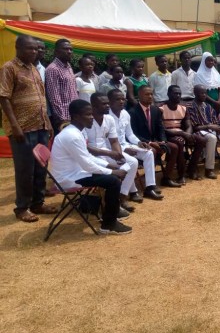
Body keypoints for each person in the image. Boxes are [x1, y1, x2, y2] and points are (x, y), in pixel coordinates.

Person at [50, 99, 131, 235]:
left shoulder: (78, 131)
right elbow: (87, 164)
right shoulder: (72, 136)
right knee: (113, 181)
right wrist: (112, 172)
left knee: (112, 178)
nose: (92, 117)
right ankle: (109, 224)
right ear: (76, 117)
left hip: (76, 172)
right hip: (68, 179)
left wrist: (108, 165)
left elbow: (87, 157)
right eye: (88, 114)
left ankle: (111, 212)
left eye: (91, 113)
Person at [0, 35, 56, 223]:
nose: (34, 51)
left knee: (41, 166)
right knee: (25, 169)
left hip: (40, 125)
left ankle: (38, 203)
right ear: (18, 48)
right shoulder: (9, 68)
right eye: (29, 48)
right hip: (22, 128)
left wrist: (47, 123)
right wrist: (15, 126)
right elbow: (4, 97)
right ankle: (22, 207)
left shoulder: (34, 69)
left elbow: (41, 98)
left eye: (36, 48)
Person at [84, 92, 139, 212]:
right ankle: (112, 201)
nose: (108, 106)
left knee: (132, 162)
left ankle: (122, 196)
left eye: (108, 103)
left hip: (106, 152)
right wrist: (111, 154)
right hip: (90, 156)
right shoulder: (86, 120)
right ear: (93, 106)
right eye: (104, 104)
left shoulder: (109, 119)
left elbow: (114, 141)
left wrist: (118, 154)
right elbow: (86, 147)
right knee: (117, 169)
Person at [108, 89, 164, 201]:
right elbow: (108, 142)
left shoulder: (125, 114)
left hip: (125, 144)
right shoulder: (106, 117)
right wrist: (124, 150)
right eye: (117, 99)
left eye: (123, 99)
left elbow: (130, 134)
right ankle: (131, 192)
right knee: (132, 161)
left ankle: (150, 187)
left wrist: (139, 142)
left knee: (148, 153)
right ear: (110, 101)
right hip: (112, 148)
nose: (121, 101)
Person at [129, 85, 181, 187]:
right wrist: (150, 143)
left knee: (174, 147)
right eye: (147, 94)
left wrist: (163, 141)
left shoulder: (155, 110)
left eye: (151, 94)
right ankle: (150, 184)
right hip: (141, 143)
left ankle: (166, 178)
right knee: (152, 151)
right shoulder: (132, 112)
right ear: (139, 96)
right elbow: (133, 134)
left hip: (156, 141)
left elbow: (160, 128)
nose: (150, 96)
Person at [160, 85, 204, 184]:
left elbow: (189, 125)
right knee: (179, 143)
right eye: (175, 93)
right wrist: (182, 134)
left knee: (201, 140)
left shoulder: (183, 108)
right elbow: (162, 130)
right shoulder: (161, 108)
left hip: (182, 134)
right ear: (168, 94)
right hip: (168, 135)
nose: (178, 96)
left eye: (179, 94)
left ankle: (191, 169)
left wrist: (187, 135)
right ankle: (181, 175)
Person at [188, 84, 220, 177]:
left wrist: (218, 128)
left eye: (205, 93)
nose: (204, 95)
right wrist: (209, 126)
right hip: (199, 133)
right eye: (201, 93)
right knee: (212, 138)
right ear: (195, 93)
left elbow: (216, 122)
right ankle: (209, 169)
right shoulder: (190, 107)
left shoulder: (208, 107)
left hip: (212, 131)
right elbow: (194, 127)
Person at [45, 38, 78, 134]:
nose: (69, 51)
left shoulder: (69, 67)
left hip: (74, 115)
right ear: (56, 52)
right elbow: (54, 97)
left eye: (71, 49)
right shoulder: (53, 69)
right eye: (65, 49)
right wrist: (63, 119)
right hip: (63, 119)